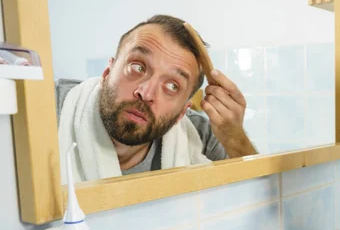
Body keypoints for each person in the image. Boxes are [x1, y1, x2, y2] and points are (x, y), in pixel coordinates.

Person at [57, 14, 256, 183]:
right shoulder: (50, 110)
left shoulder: (200, 136)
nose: (146, 93)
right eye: (138, 67)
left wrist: (234, 137)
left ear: (181, 113)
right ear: (107, 71)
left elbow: (268, 207)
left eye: (172, 86)